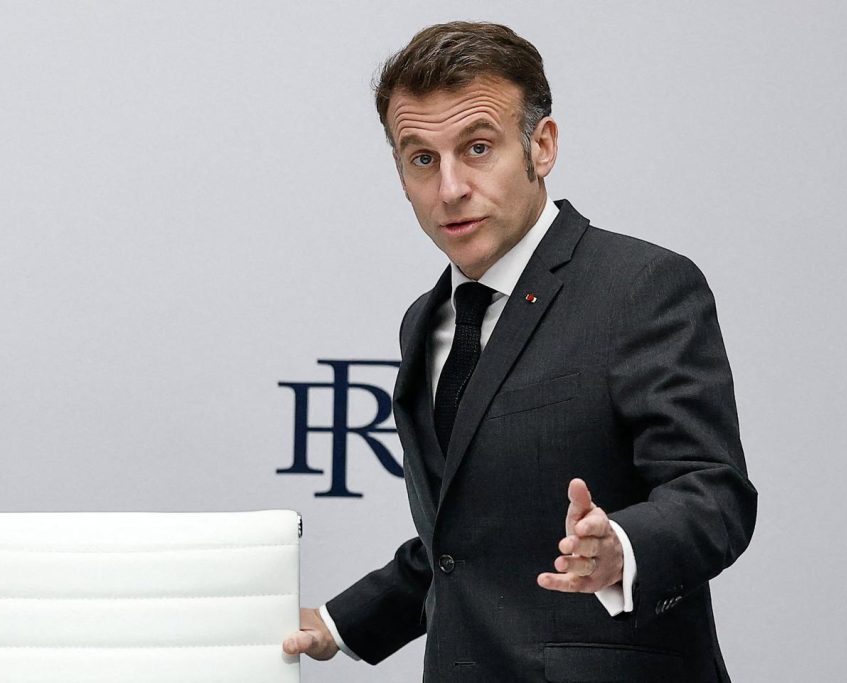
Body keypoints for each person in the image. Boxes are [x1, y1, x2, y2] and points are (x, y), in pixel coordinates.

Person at [283, 21, 757, 682]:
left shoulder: (641, 286)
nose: (450, 188)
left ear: (542, 145)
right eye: (422, 159)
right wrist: (338, 623)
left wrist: (621, 549)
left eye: (477, 148)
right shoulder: (424, 321)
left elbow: (713, 492)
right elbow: (466, 538)